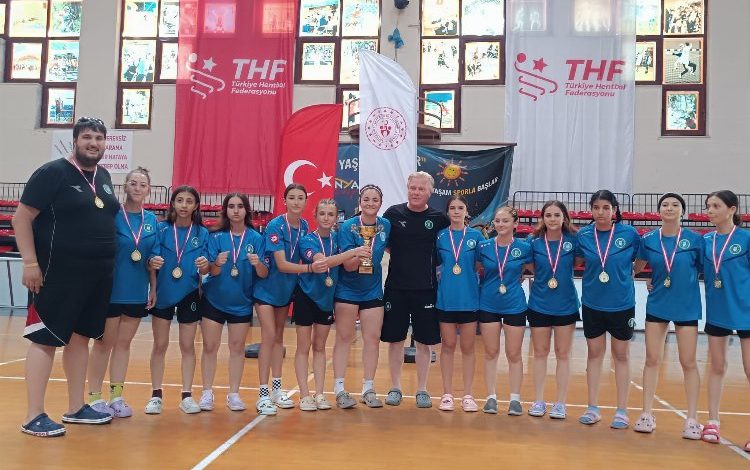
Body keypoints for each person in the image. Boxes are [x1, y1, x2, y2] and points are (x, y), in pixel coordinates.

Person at [15, 117, 117, 437]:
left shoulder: (104, 176)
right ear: (75, 140)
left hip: (96, 277)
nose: (93, 143)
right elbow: (21, 218)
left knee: (80, 339)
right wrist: (30, 263)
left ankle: (76, 407)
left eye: (99, 138)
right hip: (56, 274)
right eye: (87, 137)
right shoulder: (52, 172)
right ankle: (34, 415)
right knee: (44, 339)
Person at [86, 167, 160, 418]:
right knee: (103, 344)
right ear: (125, 186)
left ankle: (116, 396)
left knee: (123, 345)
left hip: (136, 292)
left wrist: (153, 287)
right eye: (133, 183)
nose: (138, 188)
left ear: (148, 190)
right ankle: (95, 398)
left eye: (143, 184)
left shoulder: (152, 221)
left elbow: (152, 258)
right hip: (110, 290)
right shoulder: (113, 214)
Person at [632, 193, 703, 437]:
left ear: (682, 211)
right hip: (658, 304)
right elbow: (636, 268)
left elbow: (703, 268)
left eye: (675, 205)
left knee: (688, 362)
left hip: (686, 306)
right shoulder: (648, 239)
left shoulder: (695, 240)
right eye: (665, 205)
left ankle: (692, 419)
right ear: (659, 211)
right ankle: (646, 414)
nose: (669, 208)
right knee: (652, 359)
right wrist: (647, 279)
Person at [253, 184, 326, 415]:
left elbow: (305, 252)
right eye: (292, 198)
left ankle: (276, 389)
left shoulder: (304, 226)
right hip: (266, 289)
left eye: (300, 198)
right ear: (284, 201)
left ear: (306, 202)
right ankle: (263, 394)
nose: (296, 202)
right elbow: (282, 264)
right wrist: (310, 268)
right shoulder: (276, 226)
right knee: (268, 336)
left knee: (278, 338)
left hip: (286, 291)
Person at [381, 172, 449, 408]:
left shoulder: (439, 219)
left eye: (421, 189)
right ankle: (395, 387)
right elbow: (386, 245)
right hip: (396, 287)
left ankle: (422, 389)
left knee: (424, 342)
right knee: (395, 341)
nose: (416, 192)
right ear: (407, 189)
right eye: (413, 188)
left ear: (430, 192)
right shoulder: (393, 214)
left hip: (426, 289)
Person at [575, 190, 641, 429]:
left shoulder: (629, 234)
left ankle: (622, 410)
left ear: (614, 210)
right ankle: (592, 407)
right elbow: (577, 261)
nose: (600, 212)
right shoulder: (584, 235)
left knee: (621, 355)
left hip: (622, 304)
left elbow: (640, 261)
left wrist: (628, 275)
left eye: (605, 207)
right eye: (596, 207)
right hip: (592, 303)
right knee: (594, 354)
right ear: (591, 210)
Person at [296, 199, 369, 411]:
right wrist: (353, 252)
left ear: (337, 218)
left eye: (330, 214)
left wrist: (358, 253)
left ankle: (319, 393)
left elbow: (347, 263)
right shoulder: (307, 240)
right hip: (306, 297)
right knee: (303, 347)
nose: (326, 218)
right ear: (315, 216)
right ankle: (304, 395)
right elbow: (322, 263)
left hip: (327, 299)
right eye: (322, 214)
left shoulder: (338, 239)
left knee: (320, 347)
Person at [199, 193, 267, 412]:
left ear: (246, 210)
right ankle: (207, 392)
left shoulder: (256, 238)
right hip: (214, 300)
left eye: (240, 206)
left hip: (241, 303)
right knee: (210, 347)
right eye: (231, 206)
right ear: (225, 210)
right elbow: (209, 271)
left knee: (237, 349)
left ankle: (234, 394)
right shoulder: (215, 237)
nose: (236, 210)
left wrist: (258, 264)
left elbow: (264, 273)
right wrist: (217, 264)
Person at [145, 185, 210, 415]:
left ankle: (187, 395)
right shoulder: (161, 229)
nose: (184, 205)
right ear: (173, 203)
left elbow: (206, 269)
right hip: (163, 292)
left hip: (189, 293)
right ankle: (156, 395)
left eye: (189, 201)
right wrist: (153, 284)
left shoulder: (202, 233)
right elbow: (151, 262)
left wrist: (206, 266)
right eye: (180, 200)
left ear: (196, 206)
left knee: (187, 346)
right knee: (160, 345)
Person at [699, 190, 750, 451]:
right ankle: (713, 421)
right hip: (717, 311)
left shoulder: (746, 239)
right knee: (717, 366)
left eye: (716, 206)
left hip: (746, 312)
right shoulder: (705, 241)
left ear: (732, 209)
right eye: (708, 206)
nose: (710, 210)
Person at [332, 186, 390, 408]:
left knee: (372, 338)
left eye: (375, 200)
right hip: (347, 290)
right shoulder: (348, 226)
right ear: (360, 201)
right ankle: (339, 389)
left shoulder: (385, 225)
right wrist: (359, 253)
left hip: (372, 290)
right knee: (344, 337)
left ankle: (368, 388)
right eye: (366, 199)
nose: (370, 203)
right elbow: (347, 265)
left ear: (380, 203)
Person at [526, 201, 580, 419]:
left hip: (566, 305)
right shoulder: (533, 242)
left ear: (564, 217)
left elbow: (577, 262)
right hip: (539, 304)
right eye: (548, 215)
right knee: (539, 353)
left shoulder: (573, 240)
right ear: (542, 218)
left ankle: (560, 403)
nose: (552, 219)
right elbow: (531, 267)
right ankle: (538, 400)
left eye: (557, 215)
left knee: (563, 354)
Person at [476, 206, 532, 415]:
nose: (500, 224)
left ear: (515, 224)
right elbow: (478, 269)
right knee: (491, 352)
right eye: (498, 221)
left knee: (514, 353)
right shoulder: (484, 247)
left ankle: (515, 399)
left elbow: (533, 270)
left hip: (514, 305)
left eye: (505, 221)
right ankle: (490, 397)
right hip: (488, 303)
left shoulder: (524, 248)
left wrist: (521, 275)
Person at [435, 195, 484, 412]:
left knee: (468, 348)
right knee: (447, 346)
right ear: (447, 212)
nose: (456, 211)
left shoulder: (476, 236)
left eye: (460, 208)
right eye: (452, 208)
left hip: (469, 299)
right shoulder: (440, 236)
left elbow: (483, 265)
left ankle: (468, 395)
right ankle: (447, 394)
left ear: (466, 211)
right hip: (446, 299)